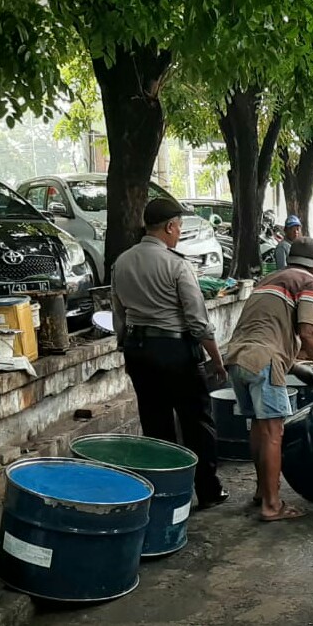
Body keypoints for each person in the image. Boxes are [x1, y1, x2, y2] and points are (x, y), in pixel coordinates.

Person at [112, 197, 228, 509]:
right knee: (196, 422)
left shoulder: (121, 262)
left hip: (138, 351)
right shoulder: (177, 265)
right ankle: (207, 490)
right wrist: (216, 360)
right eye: (178, 227)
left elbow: (119, 314)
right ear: (170, 227)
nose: (178, 233)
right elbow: (197, 321)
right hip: (175, 351)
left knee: (155, 424)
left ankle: (166, 494)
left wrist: (126, 347)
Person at [225, 236, 313, 521]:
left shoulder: (269, 280)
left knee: (258, 426)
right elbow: (309, 333)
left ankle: (261, 492)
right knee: (274, 433)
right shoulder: (308, 281)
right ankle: (272, 505)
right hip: (264, 361)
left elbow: (269, 329)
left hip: (237, 358)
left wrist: (296, 368)